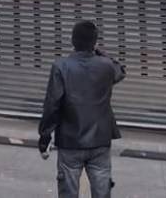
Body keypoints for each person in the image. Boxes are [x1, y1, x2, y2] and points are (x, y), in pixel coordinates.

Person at [38, 20, 126, 198]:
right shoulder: (106, 66)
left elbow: (52, 104)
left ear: (73, 40)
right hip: (100, 140)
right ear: (94, 42)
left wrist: (45, 135)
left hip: (70, 140)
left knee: (68, 191)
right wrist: (101, 52)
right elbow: (120, 70)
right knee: (102, 192)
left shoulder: (61, 66)